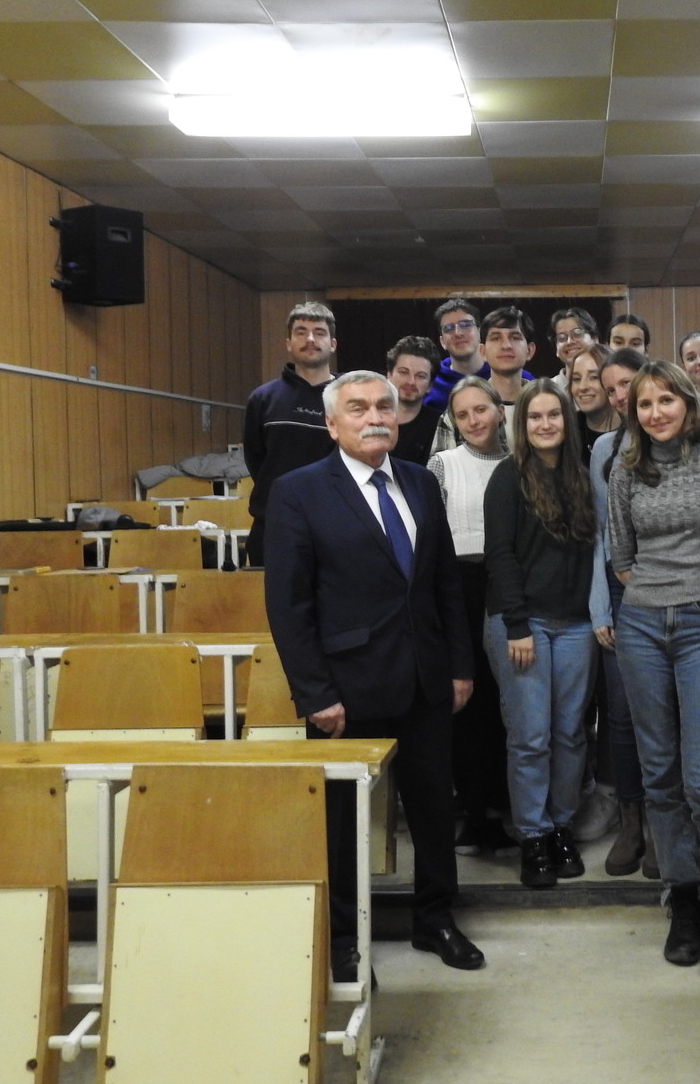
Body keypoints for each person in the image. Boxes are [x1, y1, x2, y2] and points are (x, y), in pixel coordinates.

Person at [264, 370, 485, 977]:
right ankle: (342, 937)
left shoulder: (419, 481)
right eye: (358, 408)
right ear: (332, 424)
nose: (374, 417)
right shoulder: (298, 491)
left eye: (383, 406)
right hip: (345, 688)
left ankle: (435, 919)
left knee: (433, 810)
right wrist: (314, 693)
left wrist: (459, 665)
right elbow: (288, 604)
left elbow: (444, 582)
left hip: (425, 680)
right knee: (341, 822)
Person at [608, 360, 700, 980]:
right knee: (659, 775)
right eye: (645, 404)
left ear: (688, 405)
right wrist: (654, 595)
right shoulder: (624, 468)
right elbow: (621, 554)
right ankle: (683, 897)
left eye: (666, 400)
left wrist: (696, 595)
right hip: (641, 625)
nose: (656, 412)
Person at [483, 380, 600, 889]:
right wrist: (516, 624)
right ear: (522, 425)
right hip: (521, 624)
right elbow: (500, 554)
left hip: (576, 625)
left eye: (554, 415)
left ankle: (561, 827)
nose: (545, 424)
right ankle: (533, 835)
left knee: (571, 734)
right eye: (535, 417)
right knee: (531, 737)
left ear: (567, 421)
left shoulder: (583, 475)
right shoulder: (507, 476)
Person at [428, 377, 514, 857]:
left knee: (506, 703)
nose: (473, 421)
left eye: (481, 410)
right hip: (459, 588)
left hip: (506, 585)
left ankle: (504, 809)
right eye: (462, 415)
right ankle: (473, 814)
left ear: (499, 410)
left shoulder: (518, 462)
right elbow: (432, 538)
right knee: (469, 702)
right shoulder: (443, 464)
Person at [588, 347, 650, 876]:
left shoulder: (687, 439)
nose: (619, 396)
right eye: (611, 389)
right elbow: (599, 532)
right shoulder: (604, 448)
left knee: (672, 713)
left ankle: (668, 822)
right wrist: (599, 605)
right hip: (618, 587)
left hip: (677, 584)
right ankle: (632, 823)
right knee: (623, 714)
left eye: (626, 383)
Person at [242, 301, 338, 567]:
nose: (310, 339)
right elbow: (256, 460)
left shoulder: (349, 399)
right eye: (301, 332)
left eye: (319, 332)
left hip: (336, 526)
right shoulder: (263, 398)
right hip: (274, 525)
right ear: (288, 343)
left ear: (332, 344)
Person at [431, 306, 536, 455]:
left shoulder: (547, 401)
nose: (506, 345)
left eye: (515, 337)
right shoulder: (461, 407)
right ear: (483, 351)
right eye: (496, 338)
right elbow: (440, 467)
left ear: (529, 350)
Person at [425, 298, 487, 412]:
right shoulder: (429, 381)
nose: (458, 333)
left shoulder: (504, 374)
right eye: (449, 328)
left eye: (466, 325)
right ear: (442, 341)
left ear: (479, 332)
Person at [387, 334, 442, 465]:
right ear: (389, 375)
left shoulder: (440, 425)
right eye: (403, 372)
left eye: (420, 376)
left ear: (430, 385)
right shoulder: (371, 418)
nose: (411, 381)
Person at [568, 343, 619, 465]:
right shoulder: (567, 430)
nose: (583, 387)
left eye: (594, 377)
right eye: (576, 379)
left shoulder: (632, 433)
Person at [549, 306, 599, 387]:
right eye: (562, 338)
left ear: (595, 340)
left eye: (577, 334)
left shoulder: (607, 382)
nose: (569, 342)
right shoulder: (548, 389)